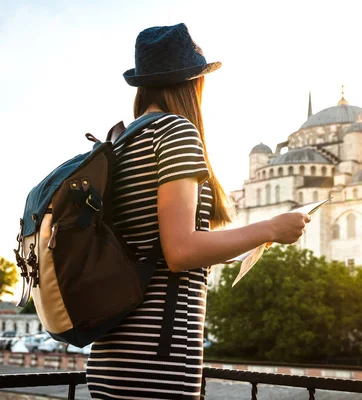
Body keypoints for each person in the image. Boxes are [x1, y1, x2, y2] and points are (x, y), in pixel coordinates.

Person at [85, 23, 310, 399]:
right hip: (157, 358)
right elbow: (181, 251)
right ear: (193, 83)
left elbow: (156, 247)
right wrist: (270, 228)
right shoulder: (174, 132)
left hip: (112, 357)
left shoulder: (122, 142)